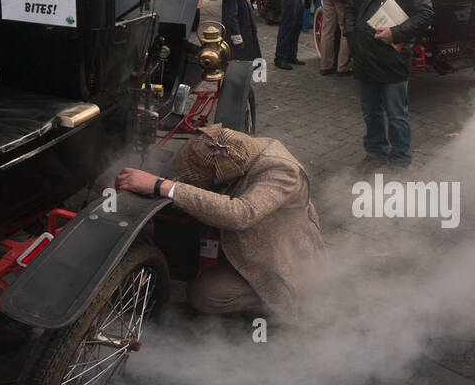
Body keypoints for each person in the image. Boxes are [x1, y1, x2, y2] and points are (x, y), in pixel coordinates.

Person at [110, 125, 320, 318]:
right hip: (240, 242)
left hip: (272, 259)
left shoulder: (283, 171)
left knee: (204, 295)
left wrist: (163, 186)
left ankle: (277, 300)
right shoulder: (238, 149)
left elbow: (241, 213)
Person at [346, 0, 433, 168]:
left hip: (393, 58)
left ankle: (401, 158)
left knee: (396, 114)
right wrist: (351, 36)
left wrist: (395, 33)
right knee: (370, 112)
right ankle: (375, 152)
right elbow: (351, 9)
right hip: (364, 56)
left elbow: (425, 15)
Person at [215, 0, 261, 133]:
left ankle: (240, 92)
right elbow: (231, 19)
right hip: (238, 44)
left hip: (245, 39)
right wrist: (237, 39)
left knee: (243, 68)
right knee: (236, 68)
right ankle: (234, 98)